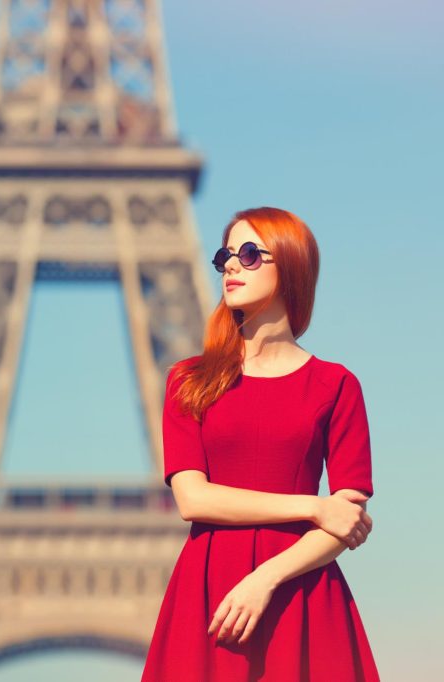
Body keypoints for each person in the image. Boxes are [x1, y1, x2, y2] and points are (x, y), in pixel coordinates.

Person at [141, 207, 380, 681]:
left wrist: (266, 577)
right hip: (212, 592)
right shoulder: (189, 380)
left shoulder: (337, 386)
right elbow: (193, 499)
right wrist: (313, 507)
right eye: (225, 255)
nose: (231, 264)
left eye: (249, 254)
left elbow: (348, 516)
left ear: (290, 265)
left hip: (300, 591)